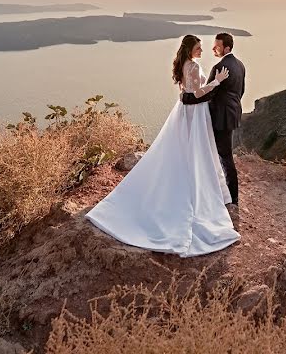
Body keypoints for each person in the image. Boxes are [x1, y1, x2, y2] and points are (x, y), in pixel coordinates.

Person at [85, 35, 240, 257]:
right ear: (190, 49)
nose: (201, 51)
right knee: (195, 151)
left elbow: (185, 92)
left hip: (185, 111)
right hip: (194, 114)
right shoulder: (194, 66)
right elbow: (196, 94)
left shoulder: (183, 65)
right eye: (198, 48)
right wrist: (216, 82)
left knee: (184, 150)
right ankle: (193, 189)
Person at [180, 32, 245, 222]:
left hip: (220, 117)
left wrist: (186, 98)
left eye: (216, 46)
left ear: (226, 48)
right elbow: (241, 91)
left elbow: (208, 93)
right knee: (222, 155)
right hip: (231, 115)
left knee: (224, 156)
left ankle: (232, 198)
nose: (212, 49)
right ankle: (224, 193)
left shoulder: (220, 66)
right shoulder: (239, 64)